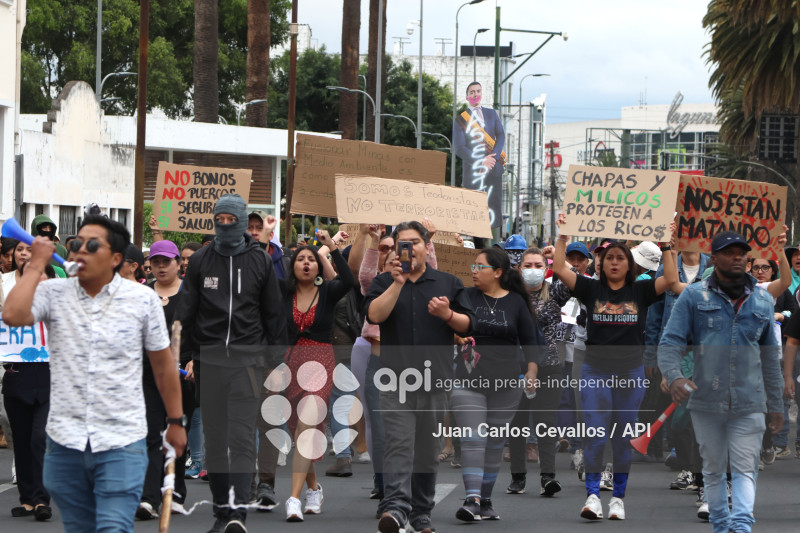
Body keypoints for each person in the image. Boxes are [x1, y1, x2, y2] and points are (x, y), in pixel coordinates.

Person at [2, 215, 186, 533]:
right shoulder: (54, 292)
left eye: (92, 245)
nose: (79, 250)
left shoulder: (142, 300)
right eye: (76, 244)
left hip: (122, 442)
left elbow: (163, 366)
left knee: (113, 526)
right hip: (65, 445)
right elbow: (13, 314)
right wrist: (35, 266)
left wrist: (175, 422)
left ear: (116, 258)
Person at [551, 213, 677, 521]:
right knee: (595, 434)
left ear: (629, 264)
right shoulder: (590, 290)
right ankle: (593, 495)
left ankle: (618, 497)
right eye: (610, 258)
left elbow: (672, 281)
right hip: (594, 371)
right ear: (602, 263)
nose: (615, 263)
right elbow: (558, 268)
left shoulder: (641, 291)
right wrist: (562, 236)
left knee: (622, 438)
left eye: (621, 258)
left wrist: (668, 245)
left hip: (630, 374)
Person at [659, 231, 784, 533]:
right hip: (706, 402)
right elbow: (670, 342)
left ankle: (741, 527)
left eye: (742, 252)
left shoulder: (763, 300)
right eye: (729, 252)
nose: (738, 257)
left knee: (744, 469)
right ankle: (720, 526)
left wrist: (777, 404)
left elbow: (770, 359)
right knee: (713, 470)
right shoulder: (693, 295)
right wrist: (674, 376)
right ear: (713, 259)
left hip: (750, 402)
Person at [178, 194, 287, 533]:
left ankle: (238, 512)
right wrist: (185, 357)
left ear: (241, 222)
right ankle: (222, 512)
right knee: (214, 441)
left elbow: (274, 315)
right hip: (208, 363)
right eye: (219, 219)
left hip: (247, 364)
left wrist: (270, 362)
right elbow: (186, 311)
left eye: (231, 219)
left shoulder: (259, 260)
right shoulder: (200, 260)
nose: (225, 225)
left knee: (240, 439)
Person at [364, 220, 475, 533]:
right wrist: (397, 283)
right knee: (398, 445)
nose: (409, 247)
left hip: (435, 380)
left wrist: (448, 315)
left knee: (428, 449)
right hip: (395, 380)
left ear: (427, 246)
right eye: (403, 242)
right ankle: (396, 507)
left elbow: (469, 325)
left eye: (415, 241)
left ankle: (421, 512)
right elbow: (374, 315)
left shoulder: (449, 283)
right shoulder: (384, 281)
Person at [269, 230, 354, 521]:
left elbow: (349, 281)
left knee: (307, 422)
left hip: (320, 362)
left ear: (319, 266)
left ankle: (293, 499)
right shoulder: (283, 292)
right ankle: (314, 489)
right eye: (300, 259)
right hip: (291, 363)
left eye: (312, 260)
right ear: (293, 266)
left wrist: (331, 248)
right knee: (301, 432)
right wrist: (268, 242)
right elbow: (264, 275)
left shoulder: (328, 292)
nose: (306, 263)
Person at [451, 248, 541, 521]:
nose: (474, 271)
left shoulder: (516, 302)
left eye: (480, 266)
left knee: (493, 444)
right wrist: (458, 338)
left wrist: (532, 372)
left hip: (507, 383)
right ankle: (472, 499)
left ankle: (485, 501)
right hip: (467, 379)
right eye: (473, 266)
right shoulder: (465, 296)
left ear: (498, 272)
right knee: (473, 440)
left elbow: (530, 341)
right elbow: (451, 326)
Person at [136, 239, 197, 519]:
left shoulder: (190, 293)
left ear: (178, 263)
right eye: (156, 262)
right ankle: (148, 497)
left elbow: (202, 330)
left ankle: (175, 492)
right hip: (149, 374)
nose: (161, 267)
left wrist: (195, 357)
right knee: (150, 434)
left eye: (166, 262)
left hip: (182, 374)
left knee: (177, 434)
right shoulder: (143, 293)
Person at [506, 247, 563, 497]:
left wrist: (559, 246)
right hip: (515, 367)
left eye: (538, 265)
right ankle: (517, 477)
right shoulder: (510, 296)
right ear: (518, 269)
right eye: (527, 265)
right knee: (516, 424)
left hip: (549, 366)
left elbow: (570, 277)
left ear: (546, 268)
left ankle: (548, 477)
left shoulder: (555, 293)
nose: (532, 270)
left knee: (545, 423)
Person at [2, 261, 55, 521]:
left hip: (51, 380)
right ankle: (27, 499)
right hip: (17, 378)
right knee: (21, 441)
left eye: (41, 275)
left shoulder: (61, 311)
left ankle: (42, 499)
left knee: (39, 439)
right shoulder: (10, 311)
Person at [452, 81, 506, 231]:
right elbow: (460, 148)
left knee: (492, 216)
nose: (475, 94)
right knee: (474, 216)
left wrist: (493, 158)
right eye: (472, 92)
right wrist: (482, 160)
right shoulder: (460, 120)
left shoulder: (491, 113)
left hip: (493, 169)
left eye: (478, 91)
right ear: (467, 97)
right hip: (473, 171)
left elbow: (500, 135)